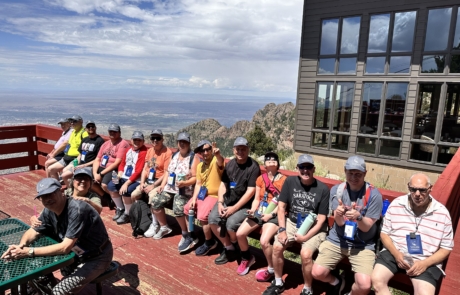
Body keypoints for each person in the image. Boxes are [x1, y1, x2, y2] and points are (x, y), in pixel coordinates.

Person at [1, 178, 113, 294]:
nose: (47, 199)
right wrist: (21, 246)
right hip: (75, 254)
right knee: (32, 268)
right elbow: (33, 231)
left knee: (58, 292)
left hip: (97, 256)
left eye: (51, 194)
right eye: (43, 196)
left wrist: (29, 252)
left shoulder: (77, 209)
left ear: (61, 191)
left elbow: (65, 247)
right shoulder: (49, 210)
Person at [371, 173, 454, 295]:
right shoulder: (397, 204)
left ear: (430, 188)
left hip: (425, 259)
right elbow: (384, 234)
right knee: (377, 280)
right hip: (396, 252)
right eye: (413, 189)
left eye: (422, 190)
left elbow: (446, 248)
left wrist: (425, 263)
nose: (417, 194)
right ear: (408, 187)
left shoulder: (442, 213)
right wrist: (396, 254)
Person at [312, 155, 383, 295]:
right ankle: (337, 282)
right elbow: (339, 223)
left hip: (362, 245)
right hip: (338, 239)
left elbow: (366, 227)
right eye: (350, 173)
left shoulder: (374, 195)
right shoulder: (337, 190)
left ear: (365, 174)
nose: (354, 177)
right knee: (317, 272)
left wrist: (359, 217)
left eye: (358, 174)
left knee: (364, 285)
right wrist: (338, 215)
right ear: (345, 171)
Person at [262, 154, 329, 295]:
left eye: (309, 167)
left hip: (314, 227)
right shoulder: (290, 182)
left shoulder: (322, 189)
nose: (305, 170)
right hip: (292, 222)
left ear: (314, 169)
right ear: (297, 168)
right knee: (277, 247)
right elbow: (281, 207)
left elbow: (322, 219)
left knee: (305, 254)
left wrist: (305, 237)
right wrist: (282, 229)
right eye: (302, 167)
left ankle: (308, 289)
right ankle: (278, 282)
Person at [208, 136, 261, 265]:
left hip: (244, 205)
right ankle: (230, 247)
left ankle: (238, 247)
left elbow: (250, 192)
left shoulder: (253, 167)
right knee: (212, 219)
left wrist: (234, 208)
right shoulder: (231, 164)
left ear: (248, 150)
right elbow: (223, 185)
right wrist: (220, 202)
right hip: (227, 200)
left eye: (243, 149)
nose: (240, 152)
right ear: (233, 150)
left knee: (230, 224)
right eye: (238, 149)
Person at [235, 151, 286, 277]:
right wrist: (253, 209)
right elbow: (257, 199)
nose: (271, 160)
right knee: (240, 234)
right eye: (268, 159)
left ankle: (272, 268)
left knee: (264, 241)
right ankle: (247, 258)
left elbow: (283, 204)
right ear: (265, 165)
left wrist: (271, 215)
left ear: (278, 163)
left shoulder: (285, 180)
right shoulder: (260, 179)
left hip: (274, 214)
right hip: (260, 211)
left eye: (274, 159)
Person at [151, 132, 200, 252]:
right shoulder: (175, 155)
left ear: (189, 144)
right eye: (180, 142)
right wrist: (162, 185)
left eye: (185, 142)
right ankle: (164, 227)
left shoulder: (194, 158)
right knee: (155, 201)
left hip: (184, 190)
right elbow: (168, 171)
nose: (182, 144)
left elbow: (196, 178)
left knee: (178, 208)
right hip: (170, 188)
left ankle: (185, 234)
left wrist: (185, 183)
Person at [183, 140, 225, 255]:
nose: (205, 152)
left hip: (214, 195)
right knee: (187, 208)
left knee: (202, 216)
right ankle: (191, 235)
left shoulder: (216, 160)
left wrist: (218, 155)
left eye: (208, 149)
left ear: (211, 150)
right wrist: (194, 198)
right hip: (202, 195)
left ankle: (209, 241)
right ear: (200, 153)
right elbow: (198, 184)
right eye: (203, 150)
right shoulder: (200, 166)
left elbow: (221, 163)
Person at [131, 129, 172, 237]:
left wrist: (154, 185)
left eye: (158, 138)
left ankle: (155, 224)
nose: (155, 140)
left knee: (152, 196)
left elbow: (166, 173)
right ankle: (146, 218)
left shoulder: (167, 153)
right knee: (135, 195)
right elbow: (145, 168)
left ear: (162, 139)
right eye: (153, 138)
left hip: (158, 181)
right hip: (148, 180)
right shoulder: (150, 151)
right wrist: (142, 183)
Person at [31, 167, 102, 228]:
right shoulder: (66, 193)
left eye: (86, 179)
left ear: (90, 183)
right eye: (79, 178)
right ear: (73, 181)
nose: (83, 181)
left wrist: (87, 201)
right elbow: (51, 205)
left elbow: (98, 210)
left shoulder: (92, 197)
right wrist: (36, 217)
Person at [108, 131, 147, 224]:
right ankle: (120, 208)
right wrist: (120, 173)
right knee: (111, 186)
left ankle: (127, 213)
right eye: (135, 140)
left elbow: (138, 171)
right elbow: (122, 164)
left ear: (143, 141)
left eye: (139, 140)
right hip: (124, 176)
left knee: (126, 191)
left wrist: (126, 183)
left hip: (135, 180)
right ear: (131, 140)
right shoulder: (128, 150)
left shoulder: (143, 152)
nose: (137, 142)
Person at [91, 123, 130, 201]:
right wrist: (95, 174)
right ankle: (106, 197)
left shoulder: (123, 144)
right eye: (110, 131)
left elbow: (117, 163)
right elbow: (97, 159)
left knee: (105, 185)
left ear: (119, 133)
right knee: (88, 180)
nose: (112, 133)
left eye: (115, 132)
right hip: (101, 167)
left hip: (114, 170)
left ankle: (118, 201)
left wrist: (100, 174)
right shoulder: (105, 144)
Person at [60, 121, 104, 186]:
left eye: (92, 126)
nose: (90, 128)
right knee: (64, 175)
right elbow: (80, 154)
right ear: (86, 129)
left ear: (95, 128)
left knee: (78, 178)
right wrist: (76, 164)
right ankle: (71, 191)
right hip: (80, 164)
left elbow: (98, 159)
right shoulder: (85, 139)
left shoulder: (99, 141)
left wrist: (84, 165)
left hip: (90, 166)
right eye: (88, 127)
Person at [47, 115, 88, 181]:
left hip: (75, 158)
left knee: (65, 172)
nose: (72, 123)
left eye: (74, 121)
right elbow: (68, 144)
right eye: (71, 121)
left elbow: (85, 149)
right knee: (50, 169)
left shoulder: (84, 133)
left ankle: (70, 189)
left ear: (81, 122)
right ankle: (57, 187)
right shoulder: (73, 132)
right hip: (67, 156)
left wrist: (78, 160)